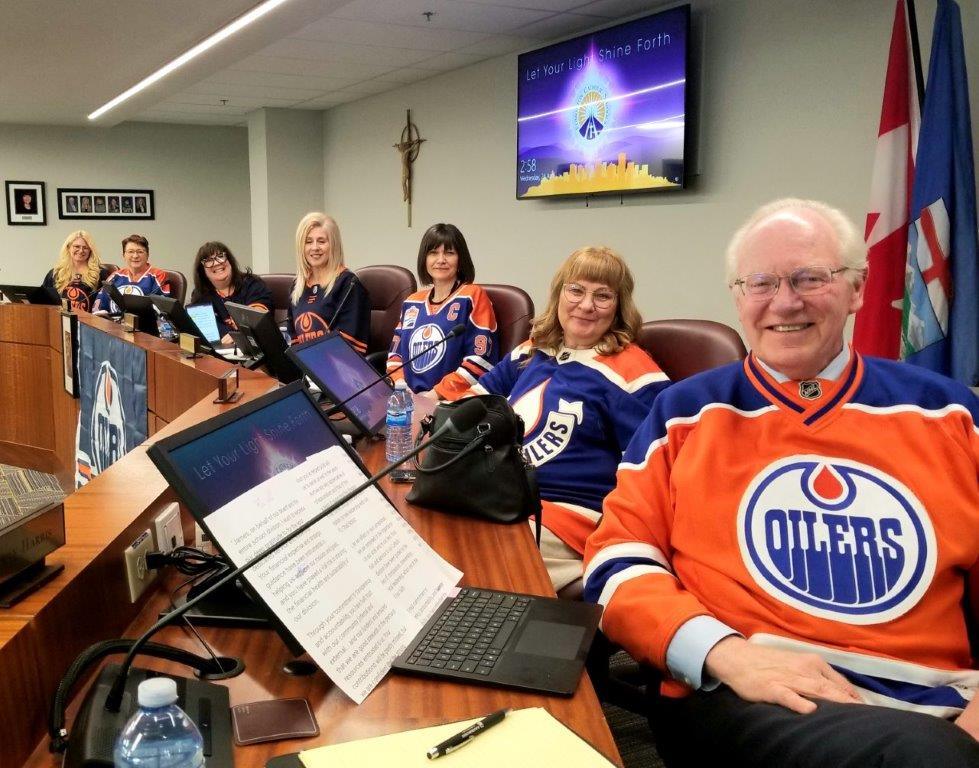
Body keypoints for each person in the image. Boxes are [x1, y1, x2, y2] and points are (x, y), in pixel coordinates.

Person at [583, 198, 979, 767]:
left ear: (857, 290)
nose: (785, 302)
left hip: (942, 711)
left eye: (810, 278)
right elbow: (616, 561)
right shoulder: (684, 414)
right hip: (742, 696)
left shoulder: (951, 415)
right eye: (761, 283)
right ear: (738, 297)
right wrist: (725, 653)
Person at [470, 246, 669, 590]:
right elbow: (471, 404)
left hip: (564, 519)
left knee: (471, 558)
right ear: (559, 294)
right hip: (498, 498)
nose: (586, 305)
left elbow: (656, 472)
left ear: (619, 306)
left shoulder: (633, 373)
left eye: (603, 296)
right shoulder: (533, 350)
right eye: (576, 290)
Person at [387, 223, 498, 400]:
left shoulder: (473, 296)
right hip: (406, 398)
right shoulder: (412, 302)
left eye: (449, 253)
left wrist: (435, 395)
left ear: (461, 260)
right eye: (433, 253)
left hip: (452, 403)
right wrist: (401, 386)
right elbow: (395, 355)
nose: (441, 259)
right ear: (424, 259)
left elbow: (480, 361)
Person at [288, 212, 370, 351]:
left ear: (334, 245)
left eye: (321, 241)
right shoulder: (297, 287)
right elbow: (294, 342)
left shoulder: (349, 285)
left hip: (337, 369)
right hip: (304, 369)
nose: (315, 247)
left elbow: (349, 349)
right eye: (308, 242)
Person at [188, 241, 273, 344]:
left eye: (220, 256)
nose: (217, 263)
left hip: (254, 350)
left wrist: (239, 335)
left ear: (229, 261)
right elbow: (198, 332)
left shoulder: (252, 284)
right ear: (202, 271)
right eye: (209, 260)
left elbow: (258, 317)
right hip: (218, 354)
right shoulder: (200, 295)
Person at [92, 234, 170, 313]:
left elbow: (161, 309)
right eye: (130, 252)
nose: (135, 256)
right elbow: (98, 306)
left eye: (140, 252)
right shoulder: (115, 276)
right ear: (124, 255)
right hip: (113, 323)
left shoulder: (158, 275)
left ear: (147, 255)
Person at [42, 230, 109, 312]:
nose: (81, 251)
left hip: (89, 322)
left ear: (90, 251)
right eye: (76, 247)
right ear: (68, 248)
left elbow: (106, 304)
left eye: (85, 248)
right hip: (59, 321)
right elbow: (43, 301)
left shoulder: (100, 274)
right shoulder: (55, 273)